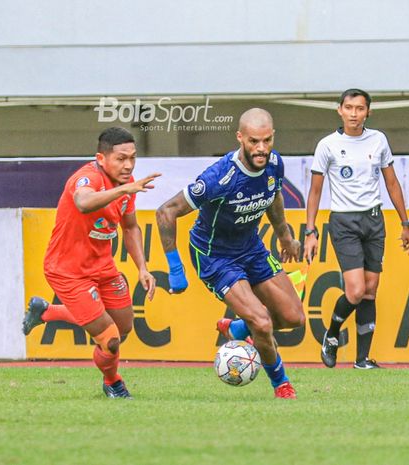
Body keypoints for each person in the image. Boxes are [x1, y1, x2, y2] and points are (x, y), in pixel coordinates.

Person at [156, 108, 305, 399]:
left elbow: (273, 195)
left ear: (273, 137)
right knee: (262, 322)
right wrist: (175, 268)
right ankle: (281, 384)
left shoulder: (275, 163)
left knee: (293, 318)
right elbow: (166, 211)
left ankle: (237, 328)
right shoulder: (219, 177)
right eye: (253, 142)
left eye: (266, 141)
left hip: (251, 247)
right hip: (215, 256)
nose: (261, 149)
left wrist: (285, 236)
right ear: (240, 138)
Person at [23, 127, 160, 398]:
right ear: (101, 158)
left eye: (132, 158)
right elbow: (84, 203)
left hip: (103, 268)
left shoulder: (127, 184)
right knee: (109, 338)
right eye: (121, 158)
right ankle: (113, 383)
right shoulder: (87, 178)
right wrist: (124, 189)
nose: (128, 165)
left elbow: (130, 228)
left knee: (122, 330)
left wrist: (142, 268)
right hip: (68, 272)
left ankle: (47, 312)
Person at [304, 88, 409, 370]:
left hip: (374, 220)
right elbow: (315, 191)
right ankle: (331, 335)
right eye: (349, 108)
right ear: (339, 110)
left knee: (370, 290)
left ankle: (362, 359)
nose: (354, 114)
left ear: (368, 112)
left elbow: (391, 183)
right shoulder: (327, 145)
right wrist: (310, 231)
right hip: (343, 222)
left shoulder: (378, 140)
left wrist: (405, 223)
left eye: (360, 109)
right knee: (354, 291)